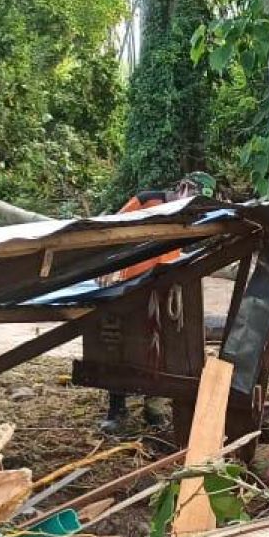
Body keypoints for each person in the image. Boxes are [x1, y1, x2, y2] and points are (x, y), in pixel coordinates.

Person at [100, 171, 216, 431]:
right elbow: (111, 233)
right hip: (129, 285)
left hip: (164, 286)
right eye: (194, 195)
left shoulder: (188, 215)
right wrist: (108, 270)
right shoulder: (146, 201)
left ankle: (154, 409)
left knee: (162, 348)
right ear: (184, 186)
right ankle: (116, 410)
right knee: (121, 346)